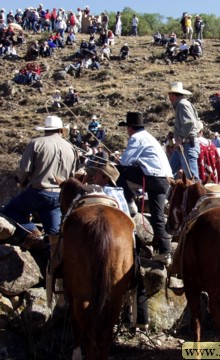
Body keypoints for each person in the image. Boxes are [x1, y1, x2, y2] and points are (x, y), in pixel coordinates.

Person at [85, 159, 149, 330]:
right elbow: (129, 215)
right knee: (135, 274)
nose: (93, 177)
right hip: (127, 230)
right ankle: (141, 317)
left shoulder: (92, 192)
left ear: (105, 177)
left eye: (97, 174)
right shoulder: (119, 193)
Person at [2, 115, 76, 251]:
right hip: (58, 195)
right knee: (54, 234)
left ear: (45, 130)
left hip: (38, 191)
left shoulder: (36, 143)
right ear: (60, 130)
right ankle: (52, 261)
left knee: (9, 211)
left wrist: (21, 182)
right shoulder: (70, 148)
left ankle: (32, 231)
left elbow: (24, 170)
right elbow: (72, 175)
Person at [116, 112, 173, 265]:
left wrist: (120, 161)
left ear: (130, 127)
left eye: (127, 128)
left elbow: (125, 162)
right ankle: (165, 251)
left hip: (153, 178)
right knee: (158, 216)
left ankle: (128, 201)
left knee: (118, 170)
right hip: (164, 180)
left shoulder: (136, 138)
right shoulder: (148, 137)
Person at [168, 82, 201, 180]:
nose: (169, 98)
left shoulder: (182, 104)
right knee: (168, 172)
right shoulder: (184, 104)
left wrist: (180, 138)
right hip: (184, 146)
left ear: (173, 95)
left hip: (187, 145)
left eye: (169, 95)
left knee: (192, 178)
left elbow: (189, 123)